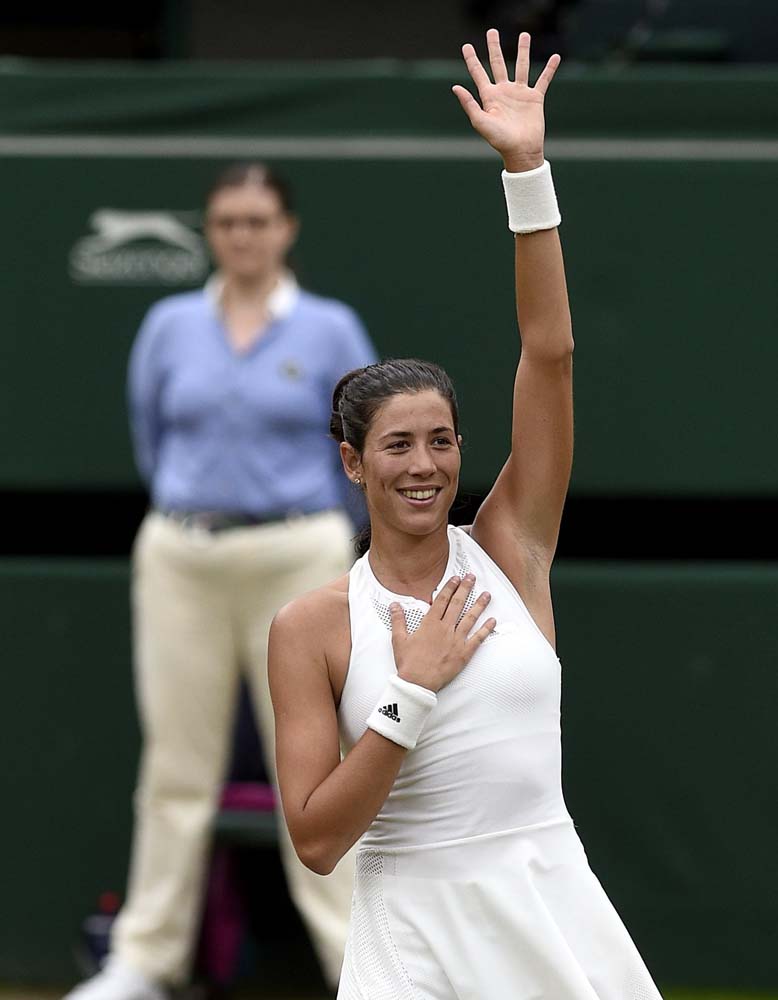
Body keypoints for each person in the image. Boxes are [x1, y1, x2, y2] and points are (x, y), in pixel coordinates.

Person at [269, 30, 664, 1000]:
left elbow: (551, 355)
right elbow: (316, 840)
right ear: (353, 462)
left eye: (441, 440)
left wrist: (526, 173)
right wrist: (409, 695)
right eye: (398, 445)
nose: (425, 465)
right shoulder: (311, 627)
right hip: (415, 947)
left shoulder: (512, 545)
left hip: (551, 910)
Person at [65, 163, 376, 1000]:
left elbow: (362, 442)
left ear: (287, 229)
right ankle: (147, 959)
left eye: (259, 220)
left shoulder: (329, 328)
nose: (244, 235)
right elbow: (151, 435)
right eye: (228, 221)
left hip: (298, 556)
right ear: (210, 230)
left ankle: (362, 965)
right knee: (176, 763)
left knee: (315, 766)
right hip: (181, 557)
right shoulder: (169, 324)